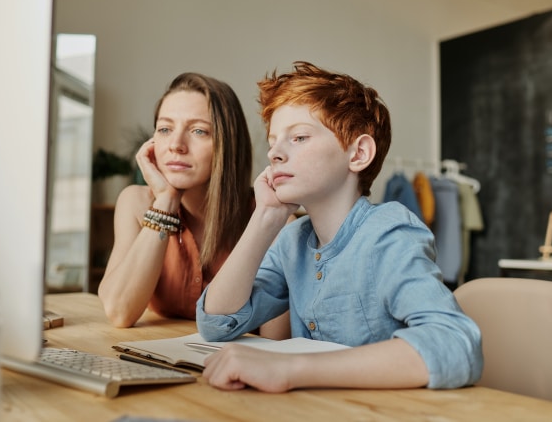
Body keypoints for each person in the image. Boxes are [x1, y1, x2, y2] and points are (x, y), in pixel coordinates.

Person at [196, 61, 483, 393]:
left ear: (358, 153)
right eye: (273, 141)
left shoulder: (388, 233)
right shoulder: (292, 240)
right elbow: (216, 323)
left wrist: (291, 369)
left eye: (299, 137)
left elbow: (455, 344)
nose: (274, 153)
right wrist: (265, 218)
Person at [98, 71, 290, 338]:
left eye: (198, 131)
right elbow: (119, 311)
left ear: (227, 143)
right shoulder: (135, 202)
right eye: (165, 129)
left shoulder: (271, 218)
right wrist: (165, 200)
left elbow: (276, 342)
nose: (176, 145)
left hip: (233, 369)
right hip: (153, 357)